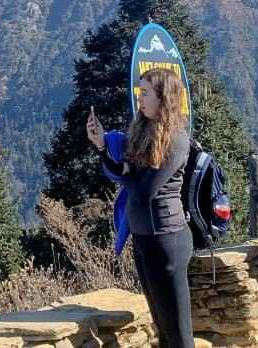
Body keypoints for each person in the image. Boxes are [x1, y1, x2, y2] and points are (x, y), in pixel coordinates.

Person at [87, 68, 195, 348]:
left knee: (179, 332)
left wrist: (127, 172)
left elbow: (144, 190)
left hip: (167, 239)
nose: (139, 99)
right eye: (139, 92)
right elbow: (129, 173)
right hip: (144, 237)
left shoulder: (176, 139)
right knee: (162, 326)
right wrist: (101, 147)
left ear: (164, 98)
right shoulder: (145, 132)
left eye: (145, 93)